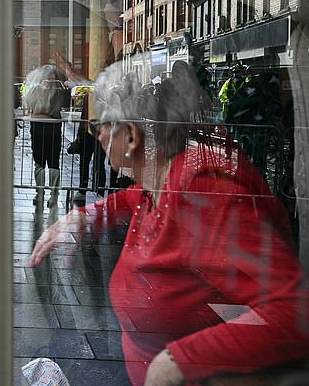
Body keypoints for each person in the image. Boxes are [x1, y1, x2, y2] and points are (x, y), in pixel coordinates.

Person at [29, 61, 309, 386]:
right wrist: (88, 216)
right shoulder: (163, 179)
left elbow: (294, 311)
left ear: (131, 136)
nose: (96, 136)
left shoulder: (205, 190)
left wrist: (177, 362)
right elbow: (130, 198)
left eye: (98, 126)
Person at [22, 65, 69, 208]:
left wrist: (62, 88)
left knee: (51, 163)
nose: (49, 80)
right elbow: (27, 100)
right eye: (47, 77)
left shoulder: (58, 90)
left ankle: (51, 194)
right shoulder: (39, 89)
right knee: (41, 162)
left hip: (49, 129)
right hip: (42, 129)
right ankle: (42, 193)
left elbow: (66, 103)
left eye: (52, 77)